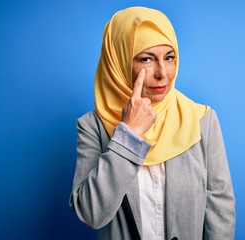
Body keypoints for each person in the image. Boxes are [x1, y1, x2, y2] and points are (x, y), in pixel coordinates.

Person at [69, 6, 235, 240]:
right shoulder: (92, 126)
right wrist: (129, 134)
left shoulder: (202, 120)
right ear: (119, 62)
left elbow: (221, 213)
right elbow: (91, 214)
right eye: (147, 59)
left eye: (169, 57)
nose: (163, 73)